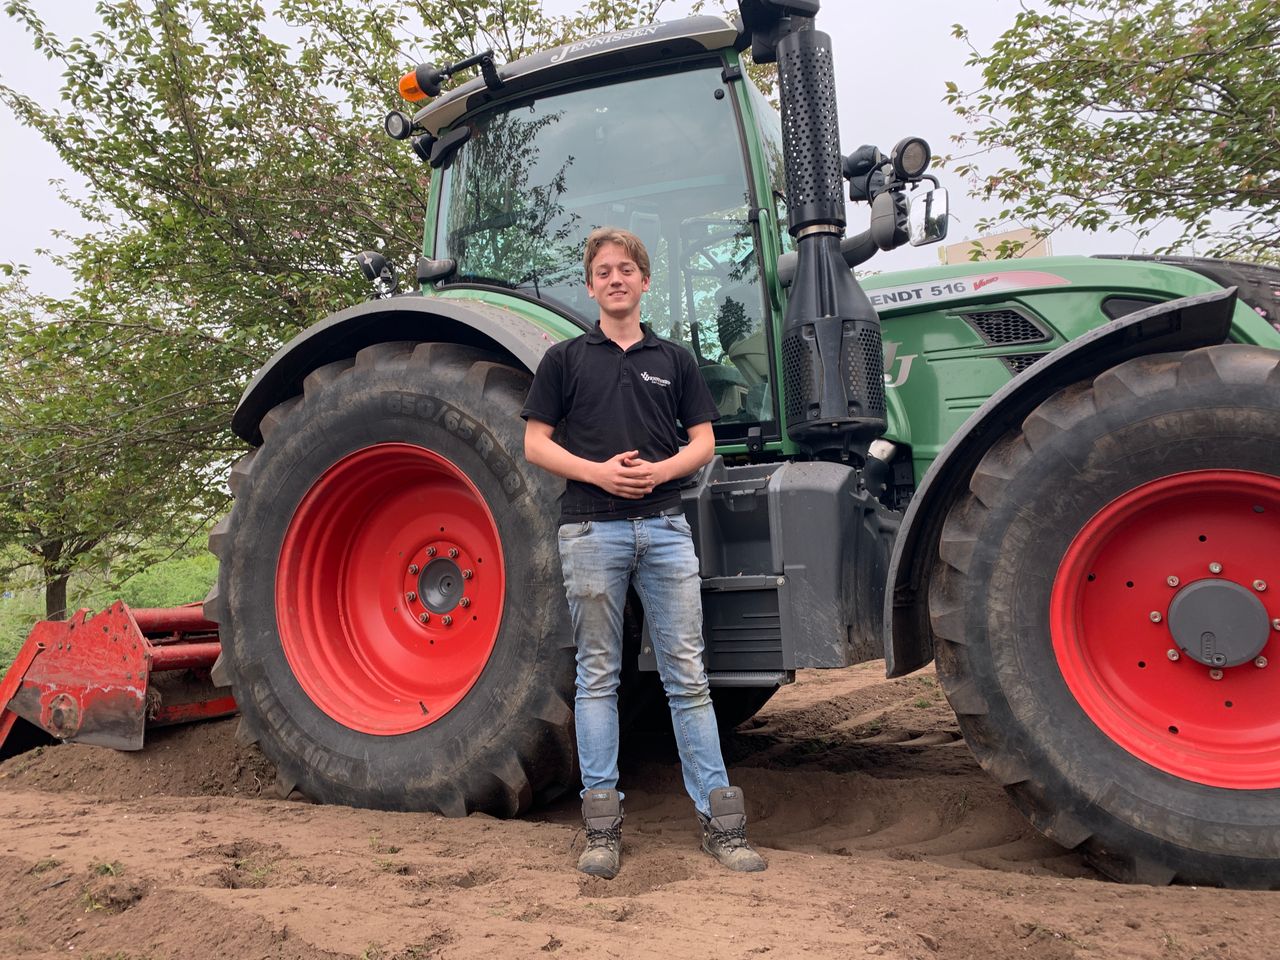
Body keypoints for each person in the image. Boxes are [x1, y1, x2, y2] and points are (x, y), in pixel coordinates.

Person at [522, 226, 767, 880]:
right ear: (591, 285)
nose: (614, 278)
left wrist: (659, 474)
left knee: (687, 675)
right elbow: (537, 444)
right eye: (602, 270)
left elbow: (704, 442)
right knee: (598, 676)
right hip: (591, 529)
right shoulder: (566, 361)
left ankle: (722, 823)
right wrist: (598, 473)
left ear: (644, 280)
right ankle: (601, 829)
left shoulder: (676, 360)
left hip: (662, 526)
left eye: (625, 268)